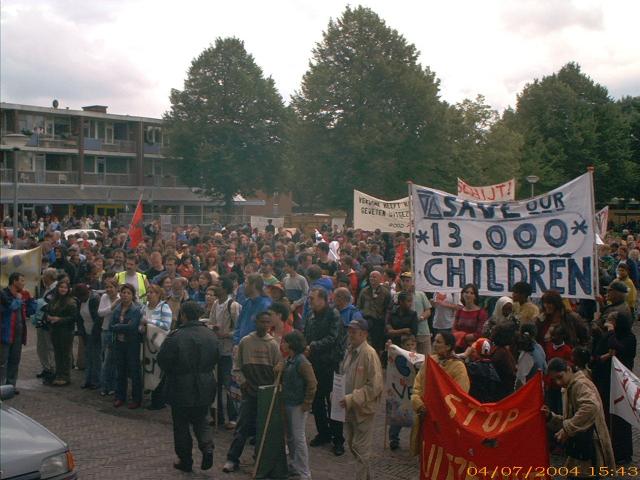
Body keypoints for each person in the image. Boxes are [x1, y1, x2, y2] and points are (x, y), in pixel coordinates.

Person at [157, 301, 219, 473]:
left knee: (181, 423)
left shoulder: (176, 336)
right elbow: (216, 356)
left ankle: (185, 460)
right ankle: (207, 447)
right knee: (202, 419)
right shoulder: (210, 335)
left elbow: (163, 359)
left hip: (180, 384)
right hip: (205, 383)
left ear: (183, 315)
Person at [223, 312, 281, 473]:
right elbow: (237, 366)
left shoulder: (273, 345)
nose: (265, 325)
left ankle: (261, 460)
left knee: (264, 429)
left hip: (266, 393)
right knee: (242, 427)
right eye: (262, 322)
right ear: (256, 322)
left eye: (268, 322)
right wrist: (243, 382)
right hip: (249, 391)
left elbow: (278, 368)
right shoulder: (246, 342)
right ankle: (232, 458)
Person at [543, 358, 615, 472]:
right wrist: (550, 417)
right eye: (554, 379)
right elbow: (571, 418)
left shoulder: (580, 385)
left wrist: (567, 429)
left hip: (588, 446)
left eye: (560, 377)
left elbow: (591, 407)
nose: (558, 382)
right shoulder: (568, 387)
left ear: (568, 370)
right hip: (579, 446)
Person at [338, 317, 383, 480]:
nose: (350, 334)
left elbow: (375, 386)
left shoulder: (369, 354)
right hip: (349, 408)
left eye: (354, 331)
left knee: (360, 448)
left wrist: (352, 398)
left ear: (364, 334)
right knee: (353, 446)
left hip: (363, 410)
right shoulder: (349, 350)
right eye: (349, 330)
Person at [411, 332, 470, 455]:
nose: (434, 344)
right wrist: (419, 403)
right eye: (434, 341)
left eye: (438, 342)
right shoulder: (431, 360)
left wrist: (439, 409)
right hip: (425, 415)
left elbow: (461, 395)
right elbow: (418, 383)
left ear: (448, 346)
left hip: (443, 421)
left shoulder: (458, 367)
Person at [304, 287, 345, 456]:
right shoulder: (311, 316)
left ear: (323, 299)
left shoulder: (333, 315)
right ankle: (323, 433)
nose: (310, 302)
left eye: (312, 299)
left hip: (330, 364)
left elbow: (333, 338)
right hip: (314, 363)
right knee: (317, 401)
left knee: (333, 402)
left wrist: (312, 346)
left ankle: (338, 439)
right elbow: (306, 334)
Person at [280, 331, 317, 480]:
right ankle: (295, 465)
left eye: (285, 342)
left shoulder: (302, 362)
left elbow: (312, 383)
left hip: (297, 405)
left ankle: (304, 472)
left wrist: (307, 403)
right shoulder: (290, 359)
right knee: (291, 437)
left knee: (298, 437)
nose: (282, 344)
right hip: (288, 402)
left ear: (291, 344)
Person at [209, 276, 241, 428]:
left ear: (225, 289)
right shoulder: (216, 303)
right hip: (217, 349)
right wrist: (213, 327)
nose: (216, 287)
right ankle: (218, 416)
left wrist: (227, 334)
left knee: (228, 385)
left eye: (219, 285)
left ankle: (233, 416)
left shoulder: (233, 306)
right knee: (216, 383)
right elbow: (211, 321)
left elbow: (239, 329)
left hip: (228, 351)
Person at [111, 284, 143, 409]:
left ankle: (136, 399)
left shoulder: (136, 309)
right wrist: (121, 326)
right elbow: (110, 326)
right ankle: (120, 397)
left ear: (132, 295)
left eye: (128, 293)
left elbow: (132, 327)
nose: (125, 295)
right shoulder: (117, 308)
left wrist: (118, 326)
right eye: (123, 292)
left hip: (132, 344)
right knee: (120, 371)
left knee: (134, 372)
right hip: (119, 343)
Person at [0, 272, 35, 389]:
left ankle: (10, 386)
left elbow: (31, 311)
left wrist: (30, 301)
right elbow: (9, 308)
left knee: (15, 360)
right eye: (22, 281)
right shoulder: (3, 294)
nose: (24, 283)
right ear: (14, 281)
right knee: (2, 362)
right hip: (5, 333)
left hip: (18, 334)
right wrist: (19, 300)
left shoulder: (23, 294)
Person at [46, 279, 78, 386]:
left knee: (65, 354)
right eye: (61, 287)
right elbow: (48, 311)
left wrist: (59, 319)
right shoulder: (54, 299)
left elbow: (73, 318)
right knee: (57, 353)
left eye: (65, 287)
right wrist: (48, 317)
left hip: (66, 331)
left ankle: (65, 376)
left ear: (68, 289)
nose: (63, 289)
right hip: (55, 330)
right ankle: (58, 373)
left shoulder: (71, 301)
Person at [74, 284, 102, 389]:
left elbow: (98, 319)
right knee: (88, 357)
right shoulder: (80, 301)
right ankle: (88, 380)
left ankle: (96, 381)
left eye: (82, 297)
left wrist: (94, 335)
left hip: (95, 333)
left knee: (96, 358)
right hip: (86, 331)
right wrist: (82, 333)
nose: (82, 299)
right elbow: (79, 318)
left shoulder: (94, 299)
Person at [357, 270, 391, 354]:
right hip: (366, 320)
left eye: (374, 277)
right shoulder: (364, 291)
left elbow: (388, 308)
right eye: (370, 277)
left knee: (376, 344)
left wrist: (386, 322)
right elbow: (359, 305)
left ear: (380, 279)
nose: (372, 279)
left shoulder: (385, 292)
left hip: (378, 322)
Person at [232, 274, 272, 345]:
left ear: (253, 285)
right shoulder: (247, 302)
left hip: (256, 346)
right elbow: (239, 324)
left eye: (246, 283)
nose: (244, 286)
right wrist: (236, 342)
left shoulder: (265, 305)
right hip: (241, 345)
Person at [97, 278, 118, 396]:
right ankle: (104, 386)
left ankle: (113, 386)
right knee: (105, 359)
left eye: (111, 287)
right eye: (107, 287)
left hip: (115, 331)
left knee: (113, 360)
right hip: (105, 330)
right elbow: (100, 313)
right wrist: (112, 306)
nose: (109, 289)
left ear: (116, 288)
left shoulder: (121, 297)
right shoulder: (105, 297)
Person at [452, 284, 487, 351]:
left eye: (472, 293)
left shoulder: (481, 313)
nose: (468, 295)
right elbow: (454, 329)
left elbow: (479, 334)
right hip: (458, 347)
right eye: (466, 292)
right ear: (462, 294)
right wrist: (462, 337)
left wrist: (461, 336)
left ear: (475, 296)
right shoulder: (459, 311)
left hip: (474, 348)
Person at [515, 324, 547, 389]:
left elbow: (520, 381)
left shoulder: (526, 355)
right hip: (539, 388)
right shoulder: (539, 347)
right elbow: (545, 369)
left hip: (530, 391)